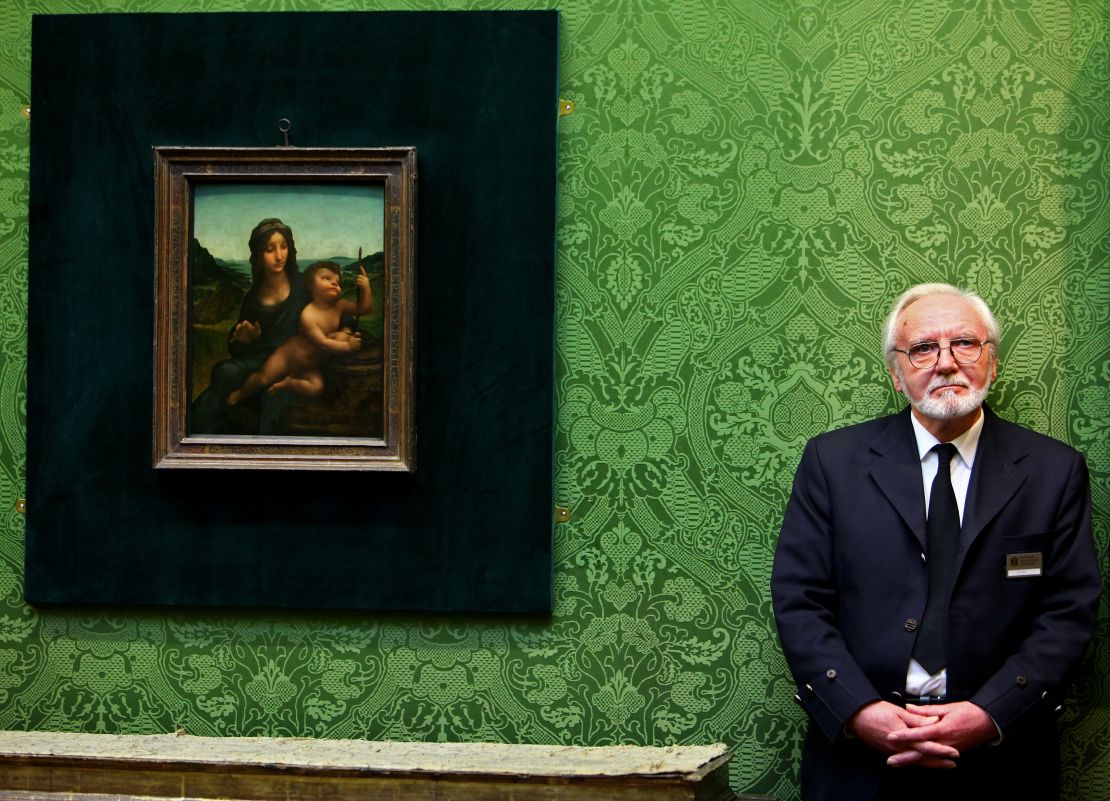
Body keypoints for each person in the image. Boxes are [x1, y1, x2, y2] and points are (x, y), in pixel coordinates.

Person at [771, 283, 1100, 801]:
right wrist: (857, 710)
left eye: (965, 343)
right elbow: (799, 600)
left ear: (992, 363)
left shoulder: (1053, 471)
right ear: (897, 376)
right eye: (923, 348)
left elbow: (1068, 611)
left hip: (1004, 762)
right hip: (859, 766)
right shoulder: (832, 463)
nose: (946, 362)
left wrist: (991, 712)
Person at [190, 218, 308, 434]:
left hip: (294, 362)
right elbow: (238, 351)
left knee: (269, 401)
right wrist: (244, 340)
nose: (279, 255)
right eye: (270, 249)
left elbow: (330, 310)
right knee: (223, 372)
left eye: (284, 247)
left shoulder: (303, 285)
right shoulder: (252, 299)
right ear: (258, 256)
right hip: (260, 363)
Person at [227, 261, 371, 404]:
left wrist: (365, 287)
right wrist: (348, 347)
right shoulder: (308, 315)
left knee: (316, 388)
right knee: (263, 378)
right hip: (288, 357)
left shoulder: (341, 305)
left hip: (310, 365)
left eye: (337, 282)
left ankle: (289, 383)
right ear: (310, 286)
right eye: (326, 278)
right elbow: (322, 343)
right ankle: (242, 392)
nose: (334, 283)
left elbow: (364, 309)